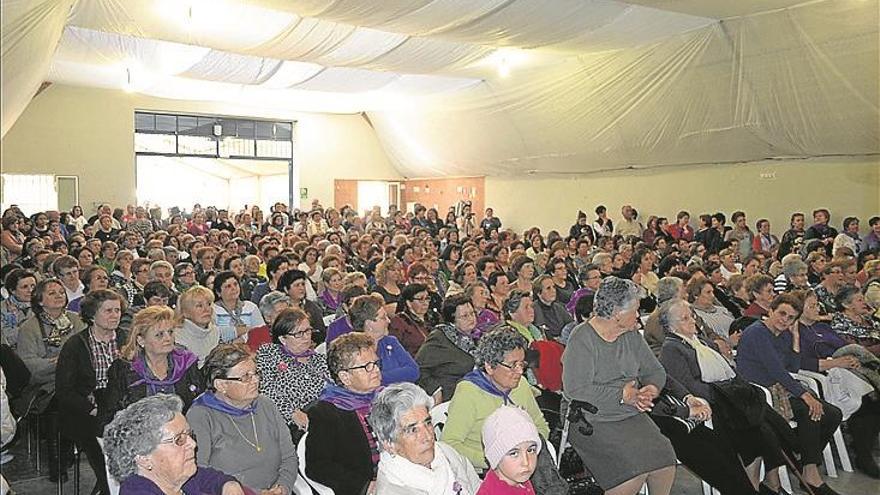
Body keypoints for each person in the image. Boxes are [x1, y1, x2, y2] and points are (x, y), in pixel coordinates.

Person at [659, 300, 795, 495]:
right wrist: (724, 393)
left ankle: (763, 484)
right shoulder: (672, 349)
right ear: (671, 326)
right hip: (713, 407)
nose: (693, 321)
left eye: (692, 315)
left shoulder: (702, 342)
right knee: (756, 428)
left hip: (728, 399)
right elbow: (687, 386)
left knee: (762, 420)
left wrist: (735, 388)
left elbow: (729, 370)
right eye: (685, 318)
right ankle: (758, 485)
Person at [561, 276, 676, 495]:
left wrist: (650, 390)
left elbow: (655, 371)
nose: (639, 317)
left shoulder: (630, 335)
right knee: (632, 473)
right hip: (592, 417)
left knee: (664, 460)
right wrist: (622, 395)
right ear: (616, 313)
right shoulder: (582, 339)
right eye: (635, 310)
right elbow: (576, 390)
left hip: (629, 412)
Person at [736, 294, 843, 495]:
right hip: (759, 394)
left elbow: (793, 366)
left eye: (791, 317)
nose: (785, 320)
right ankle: (810, 474)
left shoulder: (784, 334)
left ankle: (805, 463)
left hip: (781, 390)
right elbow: (777, 370)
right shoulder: (757, 333)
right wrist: (805, 395)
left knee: (833, 414)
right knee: (809, 411)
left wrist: (795, 338)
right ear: (770, 311)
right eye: (781, 313)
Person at [188, 343, 298, 494]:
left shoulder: (265, 404)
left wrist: (282, 488)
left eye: (255, 373)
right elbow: (198, 474)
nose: (255, 381)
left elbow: (289, 457)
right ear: (221, 385)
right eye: (245, 377)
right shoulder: (201, 415)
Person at [794, 290, 880, 477]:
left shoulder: (823, 327)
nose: (818, 308)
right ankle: (863, 456)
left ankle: (863, 450)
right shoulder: (796, 332)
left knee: (872, 395)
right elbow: (799, 362)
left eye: (817, 304)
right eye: (812, 305)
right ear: (800, 310)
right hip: (825, 378)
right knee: (867, 400)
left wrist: (850, 359)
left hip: (847, 371)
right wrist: (835, 363)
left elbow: (843, 347)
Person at [441, 328, 550, 471]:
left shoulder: (521, 385)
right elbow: (449, 444)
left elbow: (540, 426)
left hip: (523, 462)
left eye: (522, 364)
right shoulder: (468, 392)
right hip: (484, 469)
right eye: (512, 365)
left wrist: (530, 452)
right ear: (489, 367)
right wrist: (493, 460)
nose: (519, 371)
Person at [56, 289, 127, 495]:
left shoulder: (126, 338)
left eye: (117, 310)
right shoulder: (76, 345)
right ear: (92, 315)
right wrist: (91, 409)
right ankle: (107, 485)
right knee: (102, 449)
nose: (115, 315)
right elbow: (65, 390)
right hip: (89, 410)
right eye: (108, 311)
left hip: (121, 404)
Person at [103, 394, 247, 495]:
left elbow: (210, 477)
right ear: (144, 458)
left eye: (189, 435)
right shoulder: (138, 491)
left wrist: (230, 485)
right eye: (179, 440)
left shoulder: (178, 478)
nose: (193, 443)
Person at [368, 382, 481, 495]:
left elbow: (480, 490)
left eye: (427, 423)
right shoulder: (391, 490)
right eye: (413, 430)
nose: (427, 436)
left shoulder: (446, 453)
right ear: (389, 444)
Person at [101, 306, 204, 428]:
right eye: (159, 335)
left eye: (170, 332)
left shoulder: (187, 363)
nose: (167, 338)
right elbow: (110, 415)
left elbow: (199, 408)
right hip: (138, 439)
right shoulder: (124, 369)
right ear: (141, 340)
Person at [307, 333, 383, 495]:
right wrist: (364, 486)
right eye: (366, 366)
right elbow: (317, 466)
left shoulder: (385, 397)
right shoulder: (326, 413)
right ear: (345, 377)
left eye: (375, 363)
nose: (375, 370)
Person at [255, 308, 329, 443]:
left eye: (308, 331)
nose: (307, 337)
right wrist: (291, 413)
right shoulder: (270, 354)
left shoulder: (320, 360)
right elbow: (264, 390)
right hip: (283, 425)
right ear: (283, 338)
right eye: (299, 333)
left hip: (320, 422)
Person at [416, 294, 478, 402]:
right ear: (452, 320)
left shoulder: (476, 337)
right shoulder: (439, 337)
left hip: (472, 392)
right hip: (450, 397)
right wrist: (436, 391)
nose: (471, 318)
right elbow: (418, 368)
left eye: (472, 313)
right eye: (464, 316)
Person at [350, 294, 419, 385]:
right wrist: (398, 374)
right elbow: (363, 383)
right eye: (383, 318)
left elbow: (414, 371)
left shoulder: (390, 341)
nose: (388, 321)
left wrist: (379, 376)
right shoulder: (354, 349)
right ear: (369, 324)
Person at [477, 406, 542, 495]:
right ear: (496, 458)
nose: (526, 462)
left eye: (530, 450)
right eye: (514, 453)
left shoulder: (516, 477)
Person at [212, 271, 265, 343]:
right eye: (228, 286)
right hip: (222, 351)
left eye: (235, 284)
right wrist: (245, 330)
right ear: (218, 292)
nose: (233, 288)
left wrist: (242, 339)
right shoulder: (213, 310)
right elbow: (215, 335)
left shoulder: (250, 307)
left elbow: (262, 333)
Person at [175, 286, 220, 366]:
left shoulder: (215, 331)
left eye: (209, 304)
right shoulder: (177, 336)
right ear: (185, 312)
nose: (206, 309)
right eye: (199, 306)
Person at [830, 285, 880, 355]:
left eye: (864, 299)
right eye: (859, 300)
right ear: (846, 304)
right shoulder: (840, 324)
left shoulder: (868, 319)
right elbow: (856, 351)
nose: (865, 303)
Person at [389, 283, 433, 357]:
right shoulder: (399, 322)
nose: (425, 303)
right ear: (408, 303)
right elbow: (395, 350)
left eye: (427, 298)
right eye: (420, 299)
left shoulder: (435, 316)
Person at [0, 268, 36, 348]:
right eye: (24, 287)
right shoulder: (2, 309)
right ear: (12, 290)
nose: (30, 290)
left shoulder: (44, 305)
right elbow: (6, 339)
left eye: (33, 286)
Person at [531, 276, 573, 340]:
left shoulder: (559, 307)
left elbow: (572, 325)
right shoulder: (534, 309)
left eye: (554, 287)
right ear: (539, 293)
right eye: (548, 288)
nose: (553, 290)